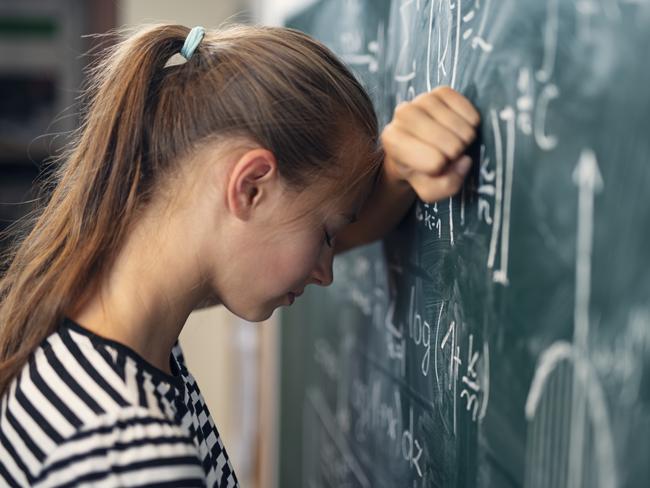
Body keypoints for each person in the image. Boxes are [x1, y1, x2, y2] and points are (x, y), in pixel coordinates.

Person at [0, 23, 479, 487]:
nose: (327, 273)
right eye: (328, 235)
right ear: (250, 187)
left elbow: (291, 234)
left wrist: (395, 175)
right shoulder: (130, 456)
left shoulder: (90, 323)